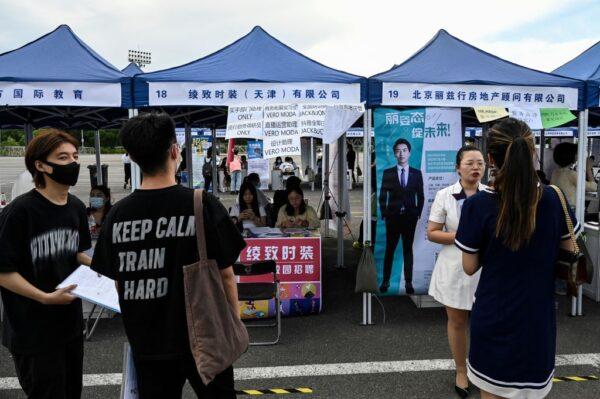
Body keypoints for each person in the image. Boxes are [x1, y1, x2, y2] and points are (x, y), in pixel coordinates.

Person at [91, 113, 245, 399]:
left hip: (147, 340)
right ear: (175, 151)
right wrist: (233, 325)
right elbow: (226, 274)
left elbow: (118, 282)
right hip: (205, 337)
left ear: (133, 158)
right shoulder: (202, 204)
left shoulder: (117, 215)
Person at [455, 118, 579, 399]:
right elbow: (571, 249)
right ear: (532, 151)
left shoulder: (478, 205)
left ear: (490, 158)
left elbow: (469, 266)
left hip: (494, 315)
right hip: (538, 319)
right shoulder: (553, 199)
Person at [0, 128, 92, 399]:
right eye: (62, 158)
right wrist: (44, 298)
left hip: (70, 325)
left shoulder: (75, 206)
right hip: (33, 331)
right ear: (40, 165)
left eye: (75, 156)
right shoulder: (19, 212)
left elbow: (75, 252)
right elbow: (3, 272)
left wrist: (102, 269)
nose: (72, 163)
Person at [427, 145, 486, 398]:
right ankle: (461, 370)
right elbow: (432, 232)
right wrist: (464, 237)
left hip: (487, 268)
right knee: (458, 321)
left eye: (480, 163)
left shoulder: (493, 194)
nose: (476, 167)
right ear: (457, 167)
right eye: (470, 163)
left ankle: (485, 371)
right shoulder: (445, 195)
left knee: (487, 323)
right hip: (454, 268)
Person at [378, 138, 424, 294]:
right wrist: (385, 214)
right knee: (389, 249)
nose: (401, 153)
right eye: (398, 150)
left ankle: (409, 283)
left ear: (409, 153)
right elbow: (382, 195)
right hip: (393, 217)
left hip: (410, 218)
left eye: (404, 150)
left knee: (407, 249)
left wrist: (417, 212)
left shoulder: (416, 174)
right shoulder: (388, 173)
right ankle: (385, 282)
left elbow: (421, 195)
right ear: (394, 153)